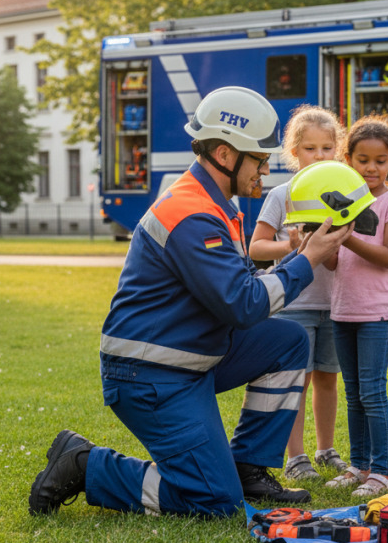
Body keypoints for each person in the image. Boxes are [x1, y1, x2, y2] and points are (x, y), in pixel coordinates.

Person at [28, 86, 354, 517]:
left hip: (183, 358)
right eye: (259, 158)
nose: (266, 168)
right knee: (215, 500)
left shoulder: (213, 204)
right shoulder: (193, 213)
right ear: (224, 155)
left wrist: (300, 258)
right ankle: (86, 465)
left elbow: (240, 290)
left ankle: (247, 468)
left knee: (289, 341)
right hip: (149, 374)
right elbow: (243, 305)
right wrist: (307, 259)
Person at [248, 105, 348, 479]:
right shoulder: (282, 194)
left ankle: (326, 450)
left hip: (332, 303)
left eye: (327, 148)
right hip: (293, 305)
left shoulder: (341, 195)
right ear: (294, 152)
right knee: (297, 383)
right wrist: (289, 247)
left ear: (337, 151)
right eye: (310, 148)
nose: (319, 156)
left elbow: (336, 260)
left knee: (327, 379)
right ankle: (296, 458)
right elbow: (256, 248)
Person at [324, 116, 388, 497]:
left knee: (372, 393)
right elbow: (332, 263)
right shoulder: (341, 202)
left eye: (380, 160)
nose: (371, 168)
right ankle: (359, 466)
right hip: (343, 310)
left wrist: (346, 237)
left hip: (377, 313)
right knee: (353, 392)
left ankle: (382, 472)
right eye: (363, 160)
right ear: (348, 160)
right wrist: (321, 239)